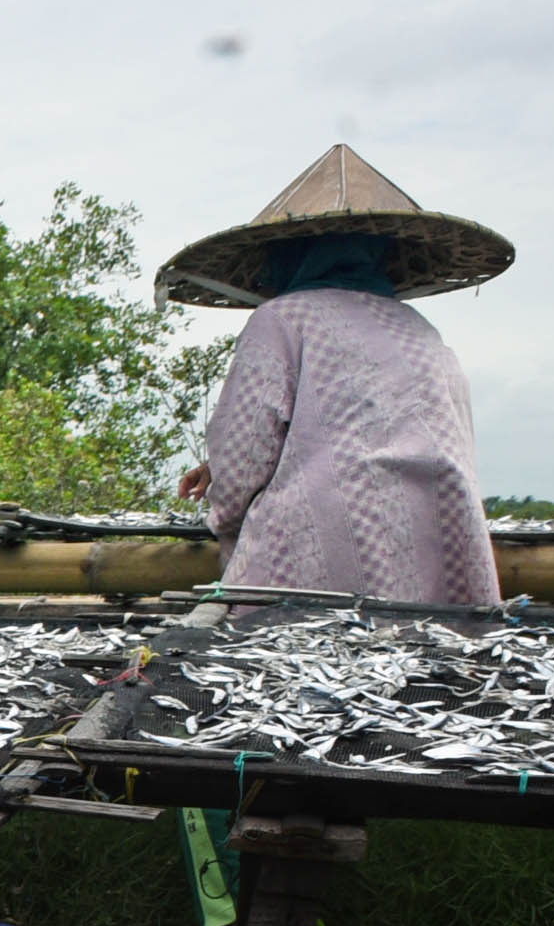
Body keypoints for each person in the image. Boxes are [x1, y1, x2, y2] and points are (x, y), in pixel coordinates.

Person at [161, 145, 515, 609]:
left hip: (322, 554)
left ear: (286, 256)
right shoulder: (420, 330)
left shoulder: (283, 318)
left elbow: (243, 453)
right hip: (443, 541)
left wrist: (223, 508)